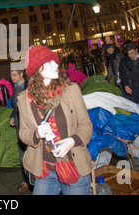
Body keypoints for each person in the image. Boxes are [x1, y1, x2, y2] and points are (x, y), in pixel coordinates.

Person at [18, 46, 93, 195]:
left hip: (74, 168)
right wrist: (36, 134)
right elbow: (23, 133)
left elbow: (86, 124)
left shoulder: (71, 90)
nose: (57, 65)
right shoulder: (24, 99)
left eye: (55, 61)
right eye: (50, 62)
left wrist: (72, 141)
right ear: (38, 68)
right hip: (45, 171)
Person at [8, 68, 30, 192]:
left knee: (31, 152)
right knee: (23, 154)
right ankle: (26, 180)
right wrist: (12, 117)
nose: (13, 77)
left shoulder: (28, 87)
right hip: (19, 125)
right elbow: (16, 107)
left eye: (15, 75)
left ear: (22, 74)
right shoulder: (16, 87)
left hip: (28, 126)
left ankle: (34, 179)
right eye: (11, 75)